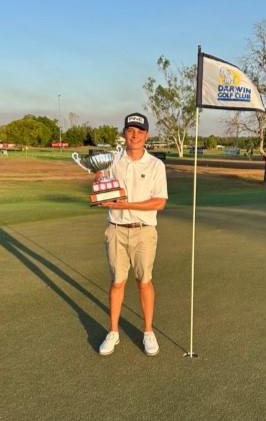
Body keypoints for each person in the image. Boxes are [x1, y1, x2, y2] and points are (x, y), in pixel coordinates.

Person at [98, 112, 168, 356]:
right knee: (117, 282)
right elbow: (102, 193)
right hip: (116, 230)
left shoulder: (156, 165)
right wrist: (97, 179)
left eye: (139, 131)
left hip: (144, 232)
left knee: (144, 281)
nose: (135, 135)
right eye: (130, 130)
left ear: (146, 135)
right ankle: (113, 331)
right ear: (124, 133)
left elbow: (159, 202)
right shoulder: (112, 161)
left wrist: (127, 205)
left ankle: (148, 331)